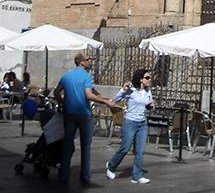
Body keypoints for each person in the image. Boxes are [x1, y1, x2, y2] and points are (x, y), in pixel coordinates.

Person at [54, 52, 114, 184]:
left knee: (67, 144)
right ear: (82, 62)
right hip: (83, 114)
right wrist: (105, 102)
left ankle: (64, 174)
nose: (89, 61)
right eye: (88, 59)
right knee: (86, 145)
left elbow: (56, 92)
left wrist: (63, 102)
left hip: (69, 113)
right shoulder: (86, 76)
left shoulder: (66, 76)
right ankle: (85, 175)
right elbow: (89, 95)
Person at [105, 68, 153, 184]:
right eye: (147, 77)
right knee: (125, 148)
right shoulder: (131, 90)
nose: (149, 79)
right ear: (140, 79)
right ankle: (111, 166)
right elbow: (116, 100)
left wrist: (151, 106)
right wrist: (123, 89)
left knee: (140, 151)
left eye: (150, 77)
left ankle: (137, 175)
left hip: (142, 123)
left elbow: (150, 106)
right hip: (130, 122)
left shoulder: (148, 91)